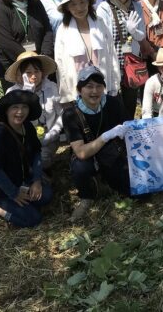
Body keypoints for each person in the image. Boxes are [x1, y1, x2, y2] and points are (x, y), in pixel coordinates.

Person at [0, 90, 52, 226]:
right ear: (6, 111)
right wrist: (14, 193)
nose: (20, 112)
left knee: (46, 196)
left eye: (24, 107)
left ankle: (19, 205)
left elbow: (36, 153)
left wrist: (37, 181)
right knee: (33, 219)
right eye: (15, 108)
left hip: (21, 180)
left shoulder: (27, 127)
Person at [62, 66, 129, 222]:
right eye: (89, 86)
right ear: (79, 90)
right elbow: (80, 152)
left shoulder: (113, 103)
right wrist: (105, 136)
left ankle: (107, 184)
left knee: (130, 190)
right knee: (80, 166)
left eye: (99, 86)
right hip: (87, 155)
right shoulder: (71, 114)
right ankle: (87, 196)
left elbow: (128, 128)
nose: (95, 91)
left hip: (112, 153)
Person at [54, 0, 120, 103]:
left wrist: (114, 84)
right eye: (73, 4)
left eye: (82, 2)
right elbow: (60, 64)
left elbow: (111, 54)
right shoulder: (63, 30)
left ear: (88, 2)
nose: (79, 8)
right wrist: (66, 96)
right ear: (67, 7)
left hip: (100, 82)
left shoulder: (100, 23)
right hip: (77, 85)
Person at [96, 0, 146, 117]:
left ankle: (129, 129)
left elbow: (141, 35)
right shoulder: (104, 8)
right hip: (113, 61)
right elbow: (102, 36)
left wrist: (133, 31)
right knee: (112, 98)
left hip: (131, 61)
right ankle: (114, 131)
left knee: (130, 99)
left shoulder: (136, 7)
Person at [4, 52, 63, 170]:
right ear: (20, 75)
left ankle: (41, 176)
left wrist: (54, 132)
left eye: (37, 71)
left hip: (48, 139)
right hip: (22, 141)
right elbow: (15, 121)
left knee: (41, 160)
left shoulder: (51, 87)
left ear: (42, 72)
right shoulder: (12, 92)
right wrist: (27, 93)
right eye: (28, 72)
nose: (34, 76)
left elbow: (61, 113)